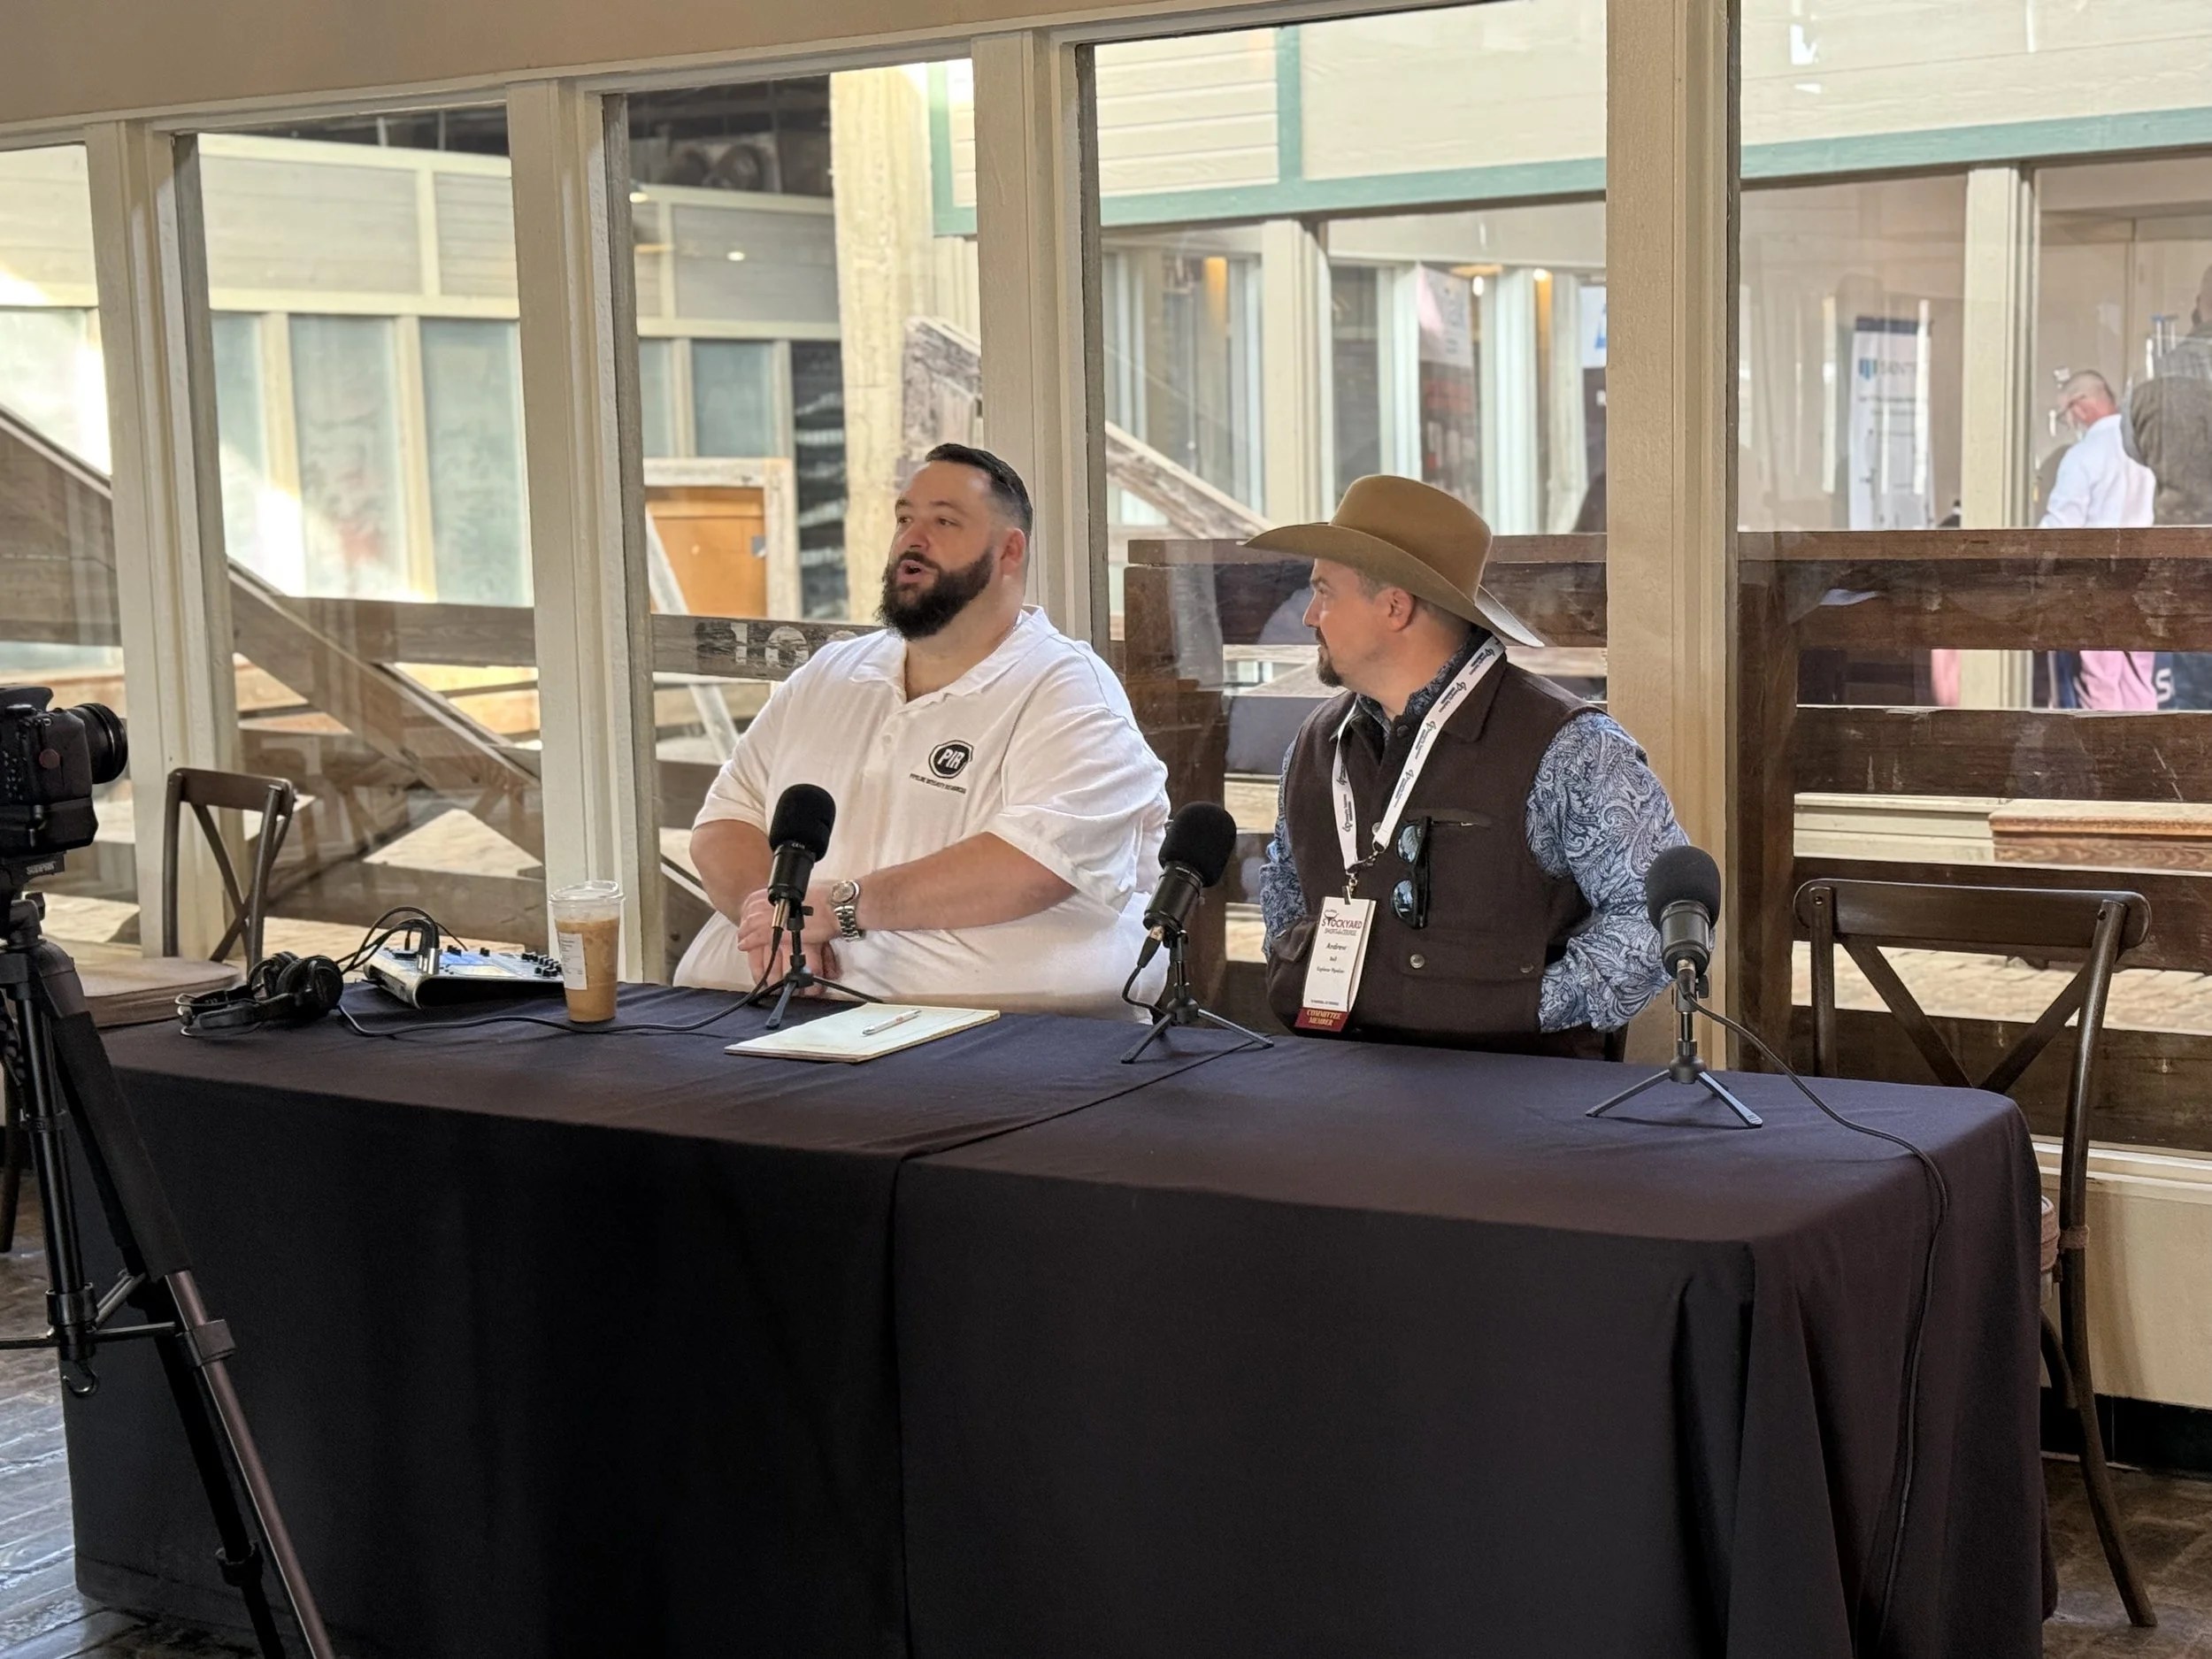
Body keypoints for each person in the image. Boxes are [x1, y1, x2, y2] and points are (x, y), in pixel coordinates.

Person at [673, 442, 1170, 1017]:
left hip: (988, 1044)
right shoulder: (829, 673)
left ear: (1009, 551)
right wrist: (773, 921)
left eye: (944, 521)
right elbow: (724, 823)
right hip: (757, 1016)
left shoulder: (1068, 689)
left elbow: (1036, 867)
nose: (913, 538)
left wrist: (840, 907)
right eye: (905, 518)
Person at [1252, 473, 1684, 1056]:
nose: (1309, 615)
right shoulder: (1315, 742)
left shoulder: (1571, 747)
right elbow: (1283, 877)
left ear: (1395, 606)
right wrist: (1295, 963)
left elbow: (1654, 915)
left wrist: (1526, 1006)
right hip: (1337, 1084)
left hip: (1514, 1099)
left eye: (1325, 592)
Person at [2041, 370, 2157, 710]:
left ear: (2080, 405)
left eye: (2064, 415)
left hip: (2098, 585)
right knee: (2140, 683)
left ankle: (2107, 747)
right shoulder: (2146, 449)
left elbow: (2060, 528)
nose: (2069, 422)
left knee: (2100, 685)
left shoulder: (2083, 456)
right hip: (2146, 583)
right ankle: (2145, 743)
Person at [2126, 265, 2212, 708]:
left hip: (2183, 565)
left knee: (2188, 714)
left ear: (2199, 306)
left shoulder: (2152, 379)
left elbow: (2134, 447)